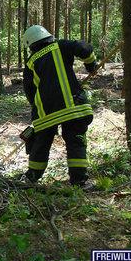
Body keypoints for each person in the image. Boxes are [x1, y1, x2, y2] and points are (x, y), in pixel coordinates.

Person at [22, 25, 98, 186]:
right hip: (73, 107)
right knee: (76, 141)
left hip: (46, 113)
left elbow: (30, 91)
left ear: (31, 44)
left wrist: (37, 109)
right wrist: (91, 65)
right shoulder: (61, 46)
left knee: (41, 143)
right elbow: (85, 49)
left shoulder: (31, 62)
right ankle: (79, 181)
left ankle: (31, 178)